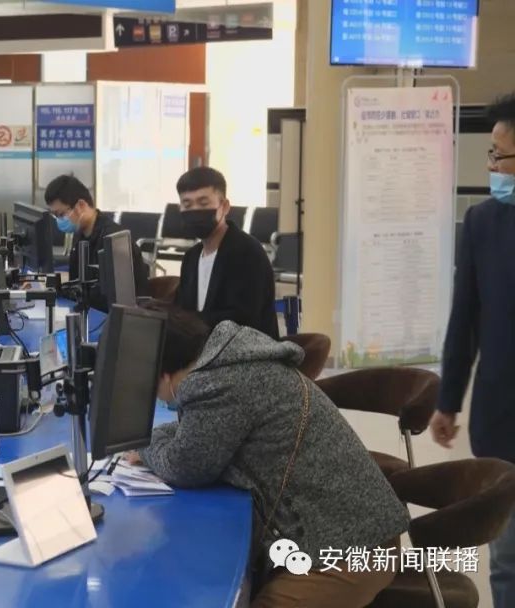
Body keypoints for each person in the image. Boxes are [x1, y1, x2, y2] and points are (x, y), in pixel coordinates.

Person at [129, 306, 408, 607]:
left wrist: (143, 444)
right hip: (345, 532)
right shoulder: (230, 360)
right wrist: (161, 441)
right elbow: (198, 435)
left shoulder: (217, 383)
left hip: (351, 551)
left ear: (162, 374)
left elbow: (184, 466)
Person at [432, 92, 515, 608]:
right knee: (507, 557)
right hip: (501, 412)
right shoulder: (483, 223)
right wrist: (448, 400)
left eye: (498, 156)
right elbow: (464, 318)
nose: (491, 167)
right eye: (491, 154)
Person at [173, 167, 279, 340]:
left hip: (247, 351)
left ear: (224, 206)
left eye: (203, 203)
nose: (195, 210)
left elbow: (242, 320)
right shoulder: (191, 257)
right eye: (187, 205)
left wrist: (189, 322)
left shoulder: (247, 252)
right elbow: (182, 311)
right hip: (201, 350)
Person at [43, 174, 148, 311]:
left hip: (118, 317)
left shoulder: (113, 240)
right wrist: (50, 289)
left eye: (61, 214)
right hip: (93, 313)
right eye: (55, 216)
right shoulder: (80, 236)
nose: (59, 220)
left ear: (81, 205)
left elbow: (110, 297)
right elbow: (78, 287)